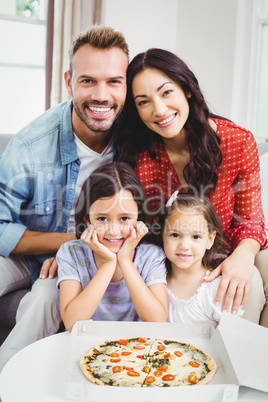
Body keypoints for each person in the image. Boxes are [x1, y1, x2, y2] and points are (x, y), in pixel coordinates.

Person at [0, 25, 129, 371]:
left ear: (127, 85)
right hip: (28, 254)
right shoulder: (31, 145)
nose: (101, 95)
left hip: (92, 258)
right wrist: (70, 243)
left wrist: (78, 252)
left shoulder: (138, 142)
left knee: (45, 296)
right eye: (88, 81)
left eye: (114, 81)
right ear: (69, 80)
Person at [115, 47, 268, 326]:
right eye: (143, 101)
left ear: (186, 89)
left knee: (262, 271)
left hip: (225, 249)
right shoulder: (136, 153)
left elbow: (251, 222)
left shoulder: (237, 142)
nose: (159, 110)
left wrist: (243, 257)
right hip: (167, 252)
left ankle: (254, 360)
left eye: (166, 92)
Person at [56, 162, 168, 331]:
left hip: (135, 348)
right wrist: (108, 264)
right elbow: (72, 323)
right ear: (87, 219)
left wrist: (125, 260)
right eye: (102, 218)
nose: (114, 231)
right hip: (86, 346)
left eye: (124, 218)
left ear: (139, 217)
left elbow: (157, 320)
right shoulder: (71, 253)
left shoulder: (151, 256)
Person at [158, 191, 243, 328]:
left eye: (196, 237)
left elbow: (230, 340)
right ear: (162, 234)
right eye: (175, 234)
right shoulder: (154, 281)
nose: (184, 246)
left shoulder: (216, 288)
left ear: (209, 240)